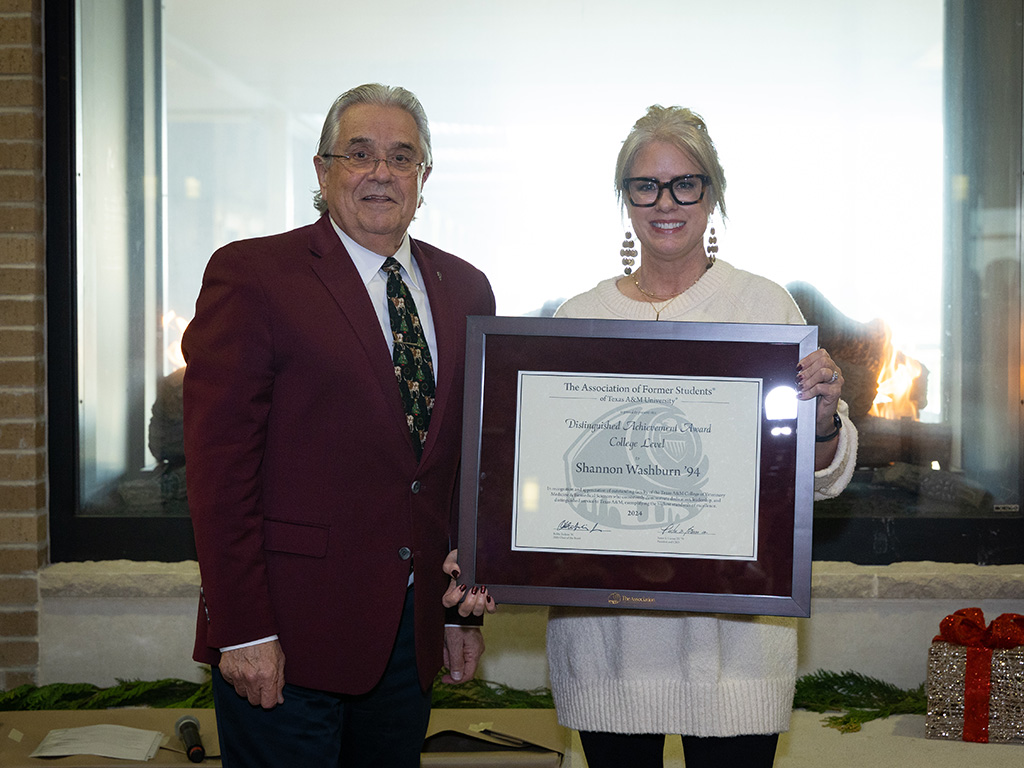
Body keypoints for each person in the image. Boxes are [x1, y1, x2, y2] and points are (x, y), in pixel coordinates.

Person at [182, 83, 494, 768]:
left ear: (425, 177)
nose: (381, 172)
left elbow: (464, 466)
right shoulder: (255, 276)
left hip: (406, 646)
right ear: (323, 172)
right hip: (286, 641)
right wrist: (242, 631)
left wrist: (454, 615)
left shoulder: (466, 289)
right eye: (359, 154)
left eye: (402, 157)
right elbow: (216, 473)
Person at [546, 105, 858, 768]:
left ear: (711, 195)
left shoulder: (766, 310)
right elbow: (545, 482)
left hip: (737, 656)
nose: (666, 202)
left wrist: (826, 420)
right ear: (623, 199)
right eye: (646, 186)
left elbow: (815, 481)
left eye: (686, 183)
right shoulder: (579, 317)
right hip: (607, 650)